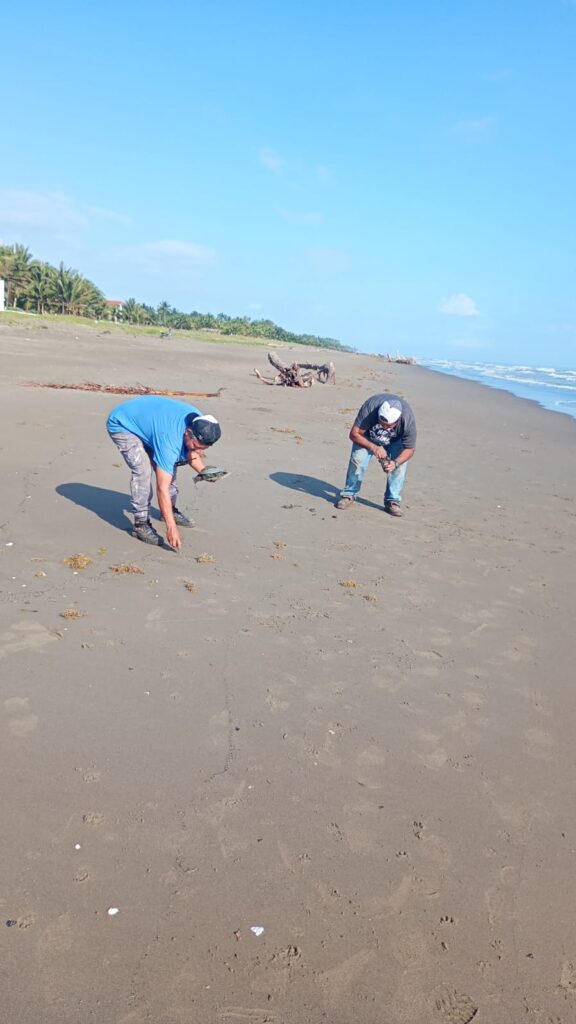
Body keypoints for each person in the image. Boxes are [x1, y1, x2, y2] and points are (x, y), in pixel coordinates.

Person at [106, 395, 222, 549]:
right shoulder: (170, 440)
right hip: (123, 423)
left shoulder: (201, 423)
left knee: (169, 464)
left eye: (204, 448)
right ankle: (141, 524)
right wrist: (171, 527)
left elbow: (190, 452)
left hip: (153, 424)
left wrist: (204, 471)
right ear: (188, 432)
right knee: (143, 471)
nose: (199, 452)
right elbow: (162, 487)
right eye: (197, 446)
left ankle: (170, 510)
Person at [336, 394, 416, 517]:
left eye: (388, 425)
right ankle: (349, 494)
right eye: (381, 422)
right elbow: (354, 434)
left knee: (399, 467)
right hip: (367, 437)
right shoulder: (370, 407)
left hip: (395, 441)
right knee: (357, 461)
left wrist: (395, 463)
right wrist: (373, 447)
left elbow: (410, 449)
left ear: (398, 419)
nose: (384, 427)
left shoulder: (407, 420)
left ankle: (392, 501)